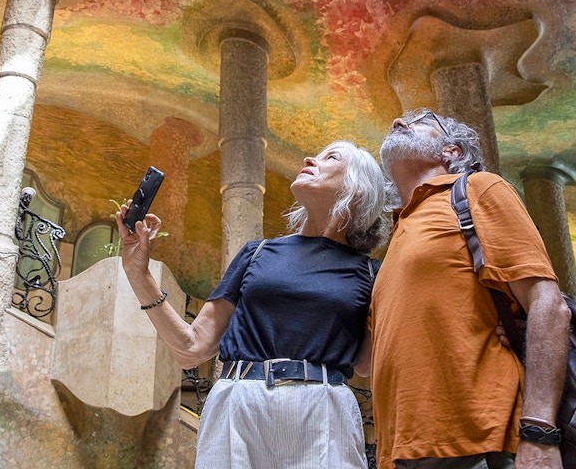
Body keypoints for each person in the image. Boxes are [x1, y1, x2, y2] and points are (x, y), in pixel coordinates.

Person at [117, 140, 388, 469]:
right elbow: (192, 348)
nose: (309, 159)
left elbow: (366, 365)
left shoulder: (370, 273)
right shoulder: (256, 253)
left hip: (324, 410)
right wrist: (138, 274)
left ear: (357, 190)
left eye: (329, 158)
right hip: (237, 402)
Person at [370, 108, 572, 469]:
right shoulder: (397, 238)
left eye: (422, 121)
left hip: (480, 442)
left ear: (452, 152)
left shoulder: (477, 189)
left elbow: (547, 303)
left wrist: (540, 433)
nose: (399, 122)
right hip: (402, 451)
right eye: (398, 120)